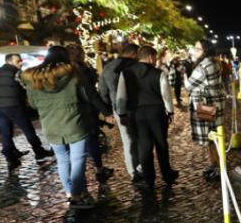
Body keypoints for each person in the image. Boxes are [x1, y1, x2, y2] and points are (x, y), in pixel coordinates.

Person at [20, 46, 97, 209]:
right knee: (78, 159)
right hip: (73, 122)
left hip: (50, 124)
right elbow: (84, 96)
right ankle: (77, 196)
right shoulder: (73, 73)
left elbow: (33, 104)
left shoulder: (33, 77)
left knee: (62, 160)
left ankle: (70, 192)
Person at [117, 46, 178, 189]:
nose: (156, 60)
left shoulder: (125, 73)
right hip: (156, 112)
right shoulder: (159, 73)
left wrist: (122, 113)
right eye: (155, 57)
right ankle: (167, 174)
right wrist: (170, 111)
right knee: (161, 144)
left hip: (136, 113)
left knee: (144, 146)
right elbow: (166, 95)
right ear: (150, 57)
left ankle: (149, 178)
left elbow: (121, 96)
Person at [0, 53, 55, 169]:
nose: (20, 63)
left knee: (6, 133)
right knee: (28, 130)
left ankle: (10, 159)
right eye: (18, 61)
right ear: (9, 61)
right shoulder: (16, 73)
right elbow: (26, 87)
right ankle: (39, 152)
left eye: (21, 61)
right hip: (13, 105)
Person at [66, 43, 115, 182]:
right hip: (85, 111)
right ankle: (97, 170)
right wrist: (106, 112)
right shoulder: (80, 70)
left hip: (70, 112)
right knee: (90, 141)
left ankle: (79, 179)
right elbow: (91, 94)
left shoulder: (63, 70)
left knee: (77, 145)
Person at [99, 43, 141, 182]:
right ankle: (142, 167)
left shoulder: (108, 67)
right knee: (141, 137)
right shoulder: (135, 66)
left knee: (127, 140)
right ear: (134, 53)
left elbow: (103, 91)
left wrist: (107, 111)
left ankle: (133, 171)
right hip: (138, 107)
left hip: (118, 108)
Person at [184, 40, 226, 182]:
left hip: (207, 105)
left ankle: (219, 167)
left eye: (197, 48)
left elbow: (188, 85)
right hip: (215, 102)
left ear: (205, 50)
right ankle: (215, 165)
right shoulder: (214, 62)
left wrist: (185, 74)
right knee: (213, 137)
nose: (194, 50)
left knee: (213, 138)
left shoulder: (204, 65)